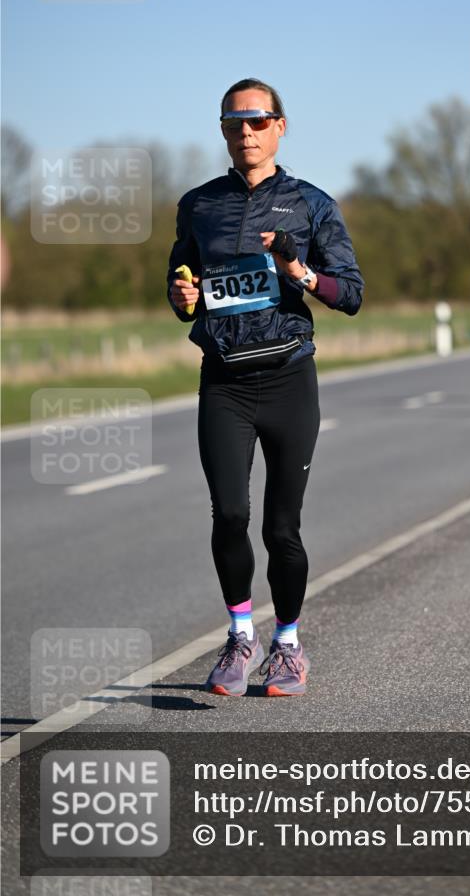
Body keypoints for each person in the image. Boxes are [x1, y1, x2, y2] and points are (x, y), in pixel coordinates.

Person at [167, 78, 364, 696]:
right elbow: (180, 281)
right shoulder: (199, 205)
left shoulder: (311, 204)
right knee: (229, 514)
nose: (245, 133)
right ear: (222, 131)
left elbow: (351, 295)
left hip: (287, 380)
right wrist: (182, 296)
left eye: (257, 121)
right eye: (234, 123)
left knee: (282, 528)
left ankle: (287, 647)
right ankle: (239, 634)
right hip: (223, 381)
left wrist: (297, 270)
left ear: (280, 126)